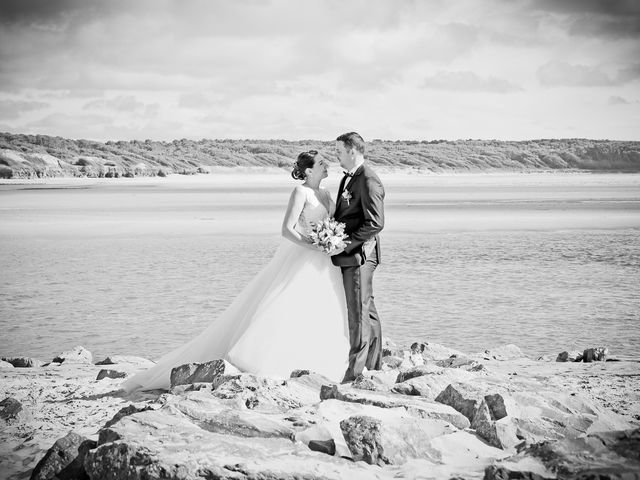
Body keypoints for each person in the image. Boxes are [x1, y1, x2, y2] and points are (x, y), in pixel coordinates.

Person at [121, 150, 350, 392]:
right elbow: (287, 229)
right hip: (304, 255)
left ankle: (323, 358)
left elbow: (334, 222)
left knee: (321, 307)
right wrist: (313, 244)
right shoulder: (300, 192)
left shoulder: (325, 193)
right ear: (308, 171)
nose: (328, 165)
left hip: (323, 260)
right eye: (322, 163)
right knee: (288, 305)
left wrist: (331, 240)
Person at [330, 132, 385, 383]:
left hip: (360, 256)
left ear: (352, 151)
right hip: (354, 255)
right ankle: (373, 366)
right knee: (367, 311)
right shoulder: (350, 179)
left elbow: (375, 223)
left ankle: (354, 373)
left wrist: (345, 244)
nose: (336, 156)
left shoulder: (368, 179)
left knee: (358, 314)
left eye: (339, 151)